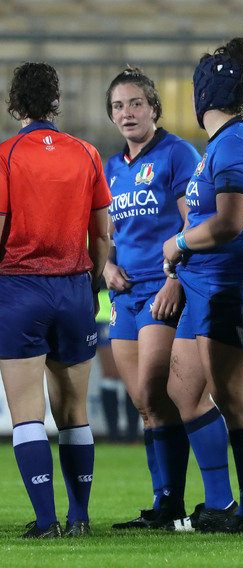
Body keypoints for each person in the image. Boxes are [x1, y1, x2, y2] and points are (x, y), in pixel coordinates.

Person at [162, 37, 243, 533]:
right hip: (202, 282)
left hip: (230, 283)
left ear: (201, 95)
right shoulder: (226, 141)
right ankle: (222, 503)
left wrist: (179, 241)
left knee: (232, 395)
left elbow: (230, 221)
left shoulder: (235, 142)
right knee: (184, 391)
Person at [0, 62, 111, 538]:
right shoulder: (87, 153)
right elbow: (102, 233)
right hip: (74, 288)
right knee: (74, 413)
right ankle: (80, 517)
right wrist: (91, 284)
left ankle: (46, 522)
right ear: (56, 102)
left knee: (28, 411)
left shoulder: (6, 155)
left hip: (19, 287)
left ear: (15, 105)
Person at [103, 66, 201, 529]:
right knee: (144, 404)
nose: (127, 113)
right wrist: (104, 266)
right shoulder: (110, 167)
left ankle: (176, 505)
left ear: (154, 108)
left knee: (154, 393)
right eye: (119, 106)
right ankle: (163, 503)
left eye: (135, 103)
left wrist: (174, 278)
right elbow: (106, 235)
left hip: (162, 290)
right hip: (124, 296)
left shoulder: (177, 153)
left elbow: (193, 223)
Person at [95, 287, 139, 443]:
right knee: (111, 373)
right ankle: (113, 435)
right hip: (105, 303)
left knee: (132, 374)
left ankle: (132, 434)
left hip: (134, 298)